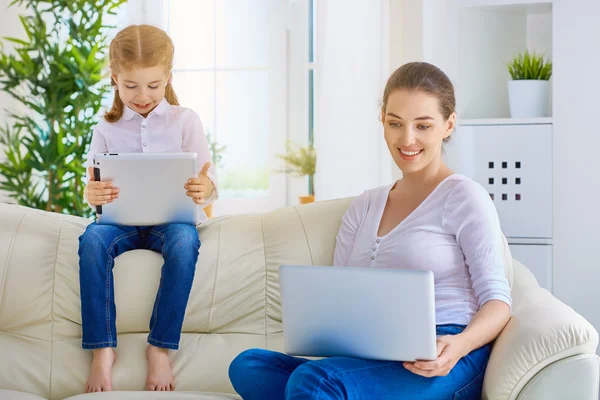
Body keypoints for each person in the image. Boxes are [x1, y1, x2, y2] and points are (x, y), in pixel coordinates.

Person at [228, 62, 511, 399]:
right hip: (372, 353)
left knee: (313, 382)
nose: (407, 139)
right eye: (396, 124)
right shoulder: (364, 205)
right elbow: (343, 295)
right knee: (248, 365)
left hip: (444, 356)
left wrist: (459, 345)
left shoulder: (464, 196)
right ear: (383, 122)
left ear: (448, 125)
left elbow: (498, 302)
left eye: (423, 125)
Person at [78, 24, 217, 393]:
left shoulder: (185, 121)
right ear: (114, 78)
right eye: (131, 86)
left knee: (185, 242)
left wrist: (206, 188)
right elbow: (92, 188)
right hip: (120, 224)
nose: (142, 96)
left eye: (153, 86)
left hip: (171, 223)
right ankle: (102, 350)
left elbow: (209, 181)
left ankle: (159, 348)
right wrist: (93, 194)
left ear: (168, 78)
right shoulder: (105, 129)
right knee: (92, 240)